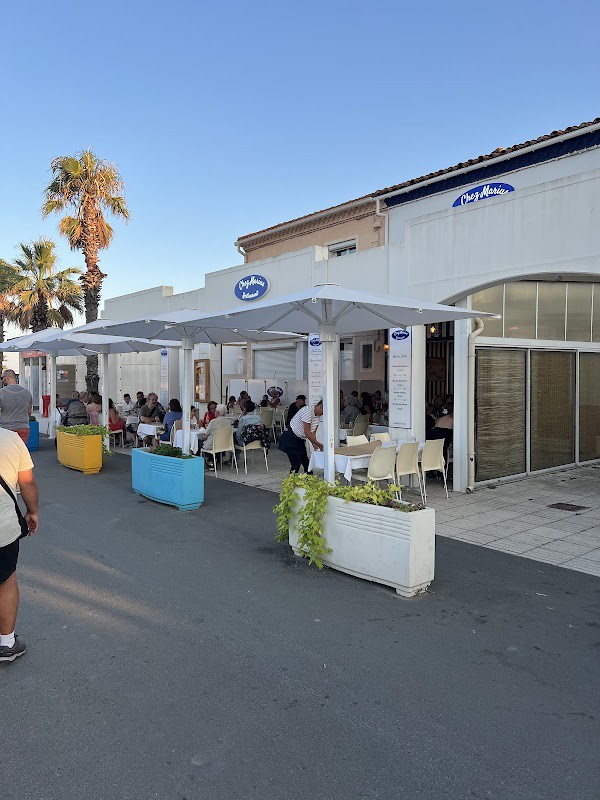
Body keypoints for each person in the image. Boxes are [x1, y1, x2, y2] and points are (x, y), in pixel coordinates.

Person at [0, 428, 39, 662]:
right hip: (2, 527)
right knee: (6, 579)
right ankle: (6, 643)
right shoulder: (10, 439)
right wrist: (32, 512)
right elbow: (27, 483)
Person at [279, 398, 323, 473]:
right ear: (320, 407)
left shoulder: (317, 417)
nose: (323, 414)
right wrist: (319, 445)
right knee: (296, 463)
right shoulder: (308, 411)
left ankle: (309, 479)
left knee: (305, 461)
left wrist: (314, 445)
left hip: (299, 438)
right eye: (323, 411)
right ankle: (291, 482)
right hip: (290, 436)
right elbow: (307, 433)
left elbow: (313, 433)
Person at [0, 369, 33, 446]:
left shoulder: (1, 393)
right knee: (20, 452)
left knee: (8, 454)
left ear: (7, 378)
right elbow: (29, 412)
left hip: (6, 428)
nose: (1, 380)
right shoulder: (27, 393)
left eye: (2, 378)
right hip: (23, 428)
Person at [200, 404, 232, 469]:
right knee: (211, 441)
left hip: (213, 445)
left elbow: (206, 434)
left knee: (201, 442)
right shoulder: (229, 422)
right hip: (225, 445)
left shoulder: (214, 421)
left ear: (217, 412)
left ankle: (210, 461)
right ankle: (216, 459)